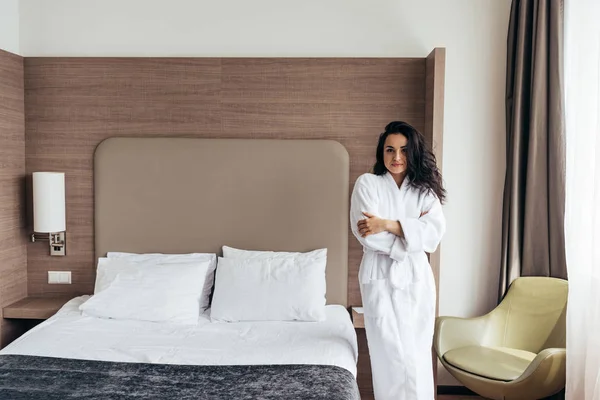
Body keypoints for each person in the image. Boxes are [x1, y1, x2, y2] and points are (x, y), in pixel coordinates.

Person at [350, 121, 446, 400]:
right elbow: (366, 234)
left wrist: (389, 224)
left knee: (416, 355)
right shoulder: (367, 184)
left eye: (403, 150)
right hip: (380, 277)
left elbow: (433, 236)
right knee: (389, 355)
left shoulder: (424, 191)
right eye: (390, 150)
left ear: (413, 153)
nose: (396, 157)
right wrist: (409, 236)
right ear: (382, 152)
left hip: (417, 279)